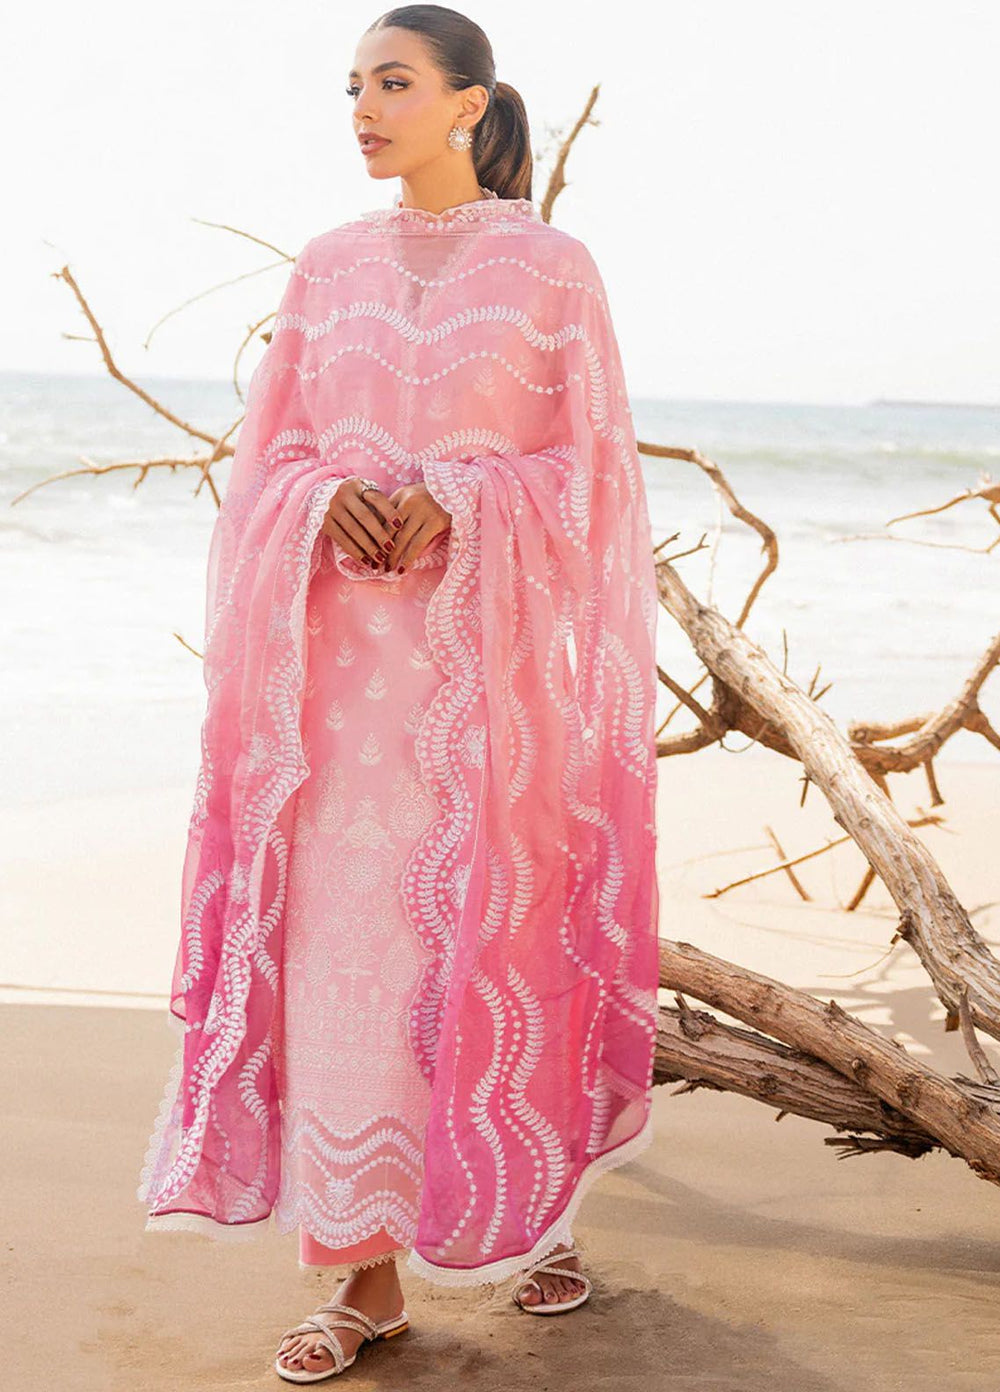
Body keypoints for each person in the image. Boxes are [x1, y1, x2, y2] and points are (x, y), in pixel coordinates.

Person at [136, 4, 662, 1383]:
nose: (364, 109)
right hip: (337, 690)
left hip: (491, 686)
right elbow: (271, 457)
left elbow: (593, 475)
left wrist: (466, 502)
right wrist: (326, 500)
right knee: (345, 959)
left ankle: (529, 1217)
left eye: (394, 83)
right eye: (354, 87)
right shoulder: (328, 266)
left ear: (470, 104)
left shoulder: (553, 268)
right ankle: (362, 1279)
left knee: (501, 936)